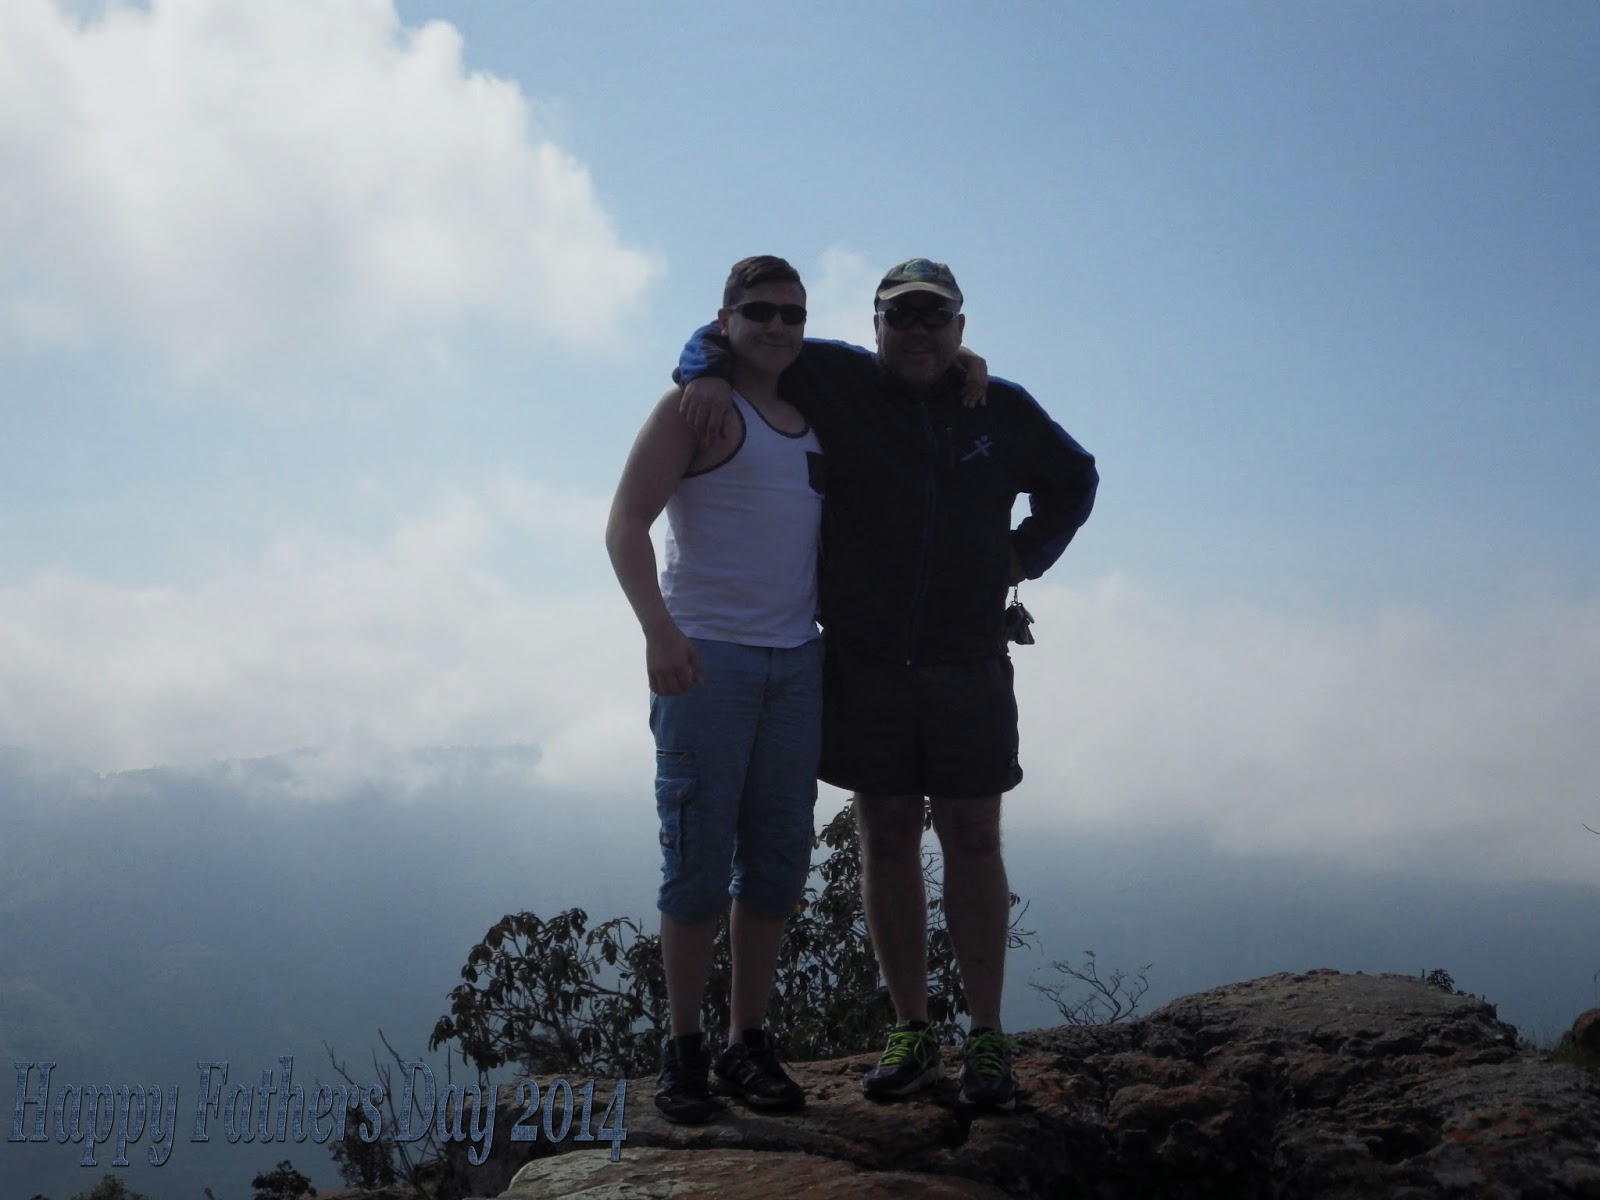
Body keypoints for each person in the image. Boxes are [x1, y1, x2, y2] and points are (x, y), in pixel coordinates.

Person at [675, 257, 1098, 1112]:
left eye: (934, 317)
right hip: (865, 661)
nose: (918, 332)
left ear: (960, 329)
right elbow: (735, 332)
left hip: (968, 660)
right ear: (876, 326)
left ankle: (986, 1035)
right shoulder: (838, 381)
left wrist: (1024, 556)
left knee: (974, 838)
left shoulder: (1002, 408)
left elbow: (1076, 479)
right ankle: (913, 1030)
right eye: (901, 317)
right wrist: (703, 374)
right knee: (889, 836)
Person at [605, 255, 824, 1124]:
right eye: (760, 311)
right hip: (708, 663)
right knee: (696, 863)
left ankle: (747, 1042)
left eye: (792, 315)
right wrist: (660, 632)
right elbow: (626, 524)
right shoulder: (692, 407)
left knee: (775, 865)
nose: (778, 327)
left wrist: (967, 363)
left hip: (796, 663)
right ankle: (684, 1049)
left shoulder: (815, 412)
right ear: (725, 319)